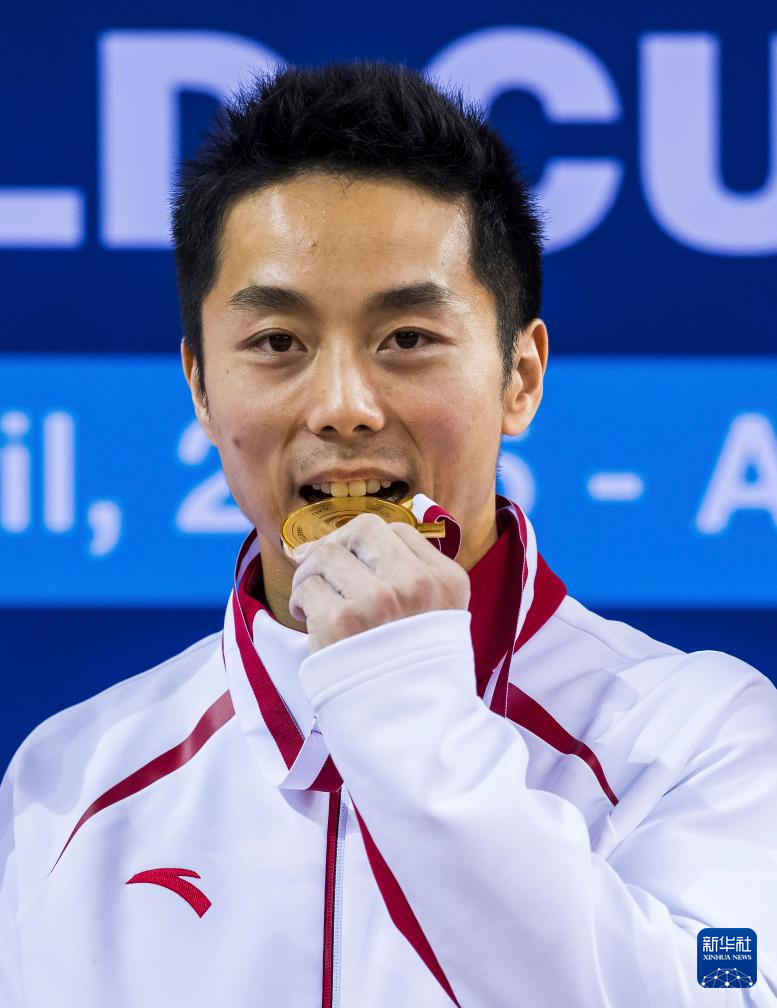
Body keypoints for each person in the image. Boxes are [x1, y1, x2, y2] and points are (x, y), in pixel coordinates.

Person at [1, 60, 775, 1008]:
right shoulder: (68, 785)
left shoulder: (699, 740)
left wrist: (403, 702)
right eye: (276, 343)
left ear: (519, 378)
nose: (343, 405)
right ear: (200, 385)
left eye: (407, 338)